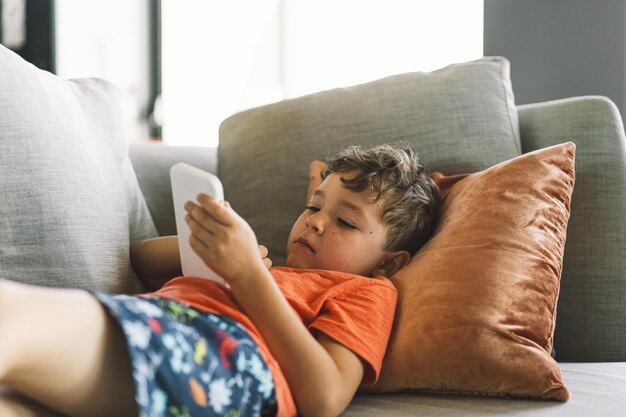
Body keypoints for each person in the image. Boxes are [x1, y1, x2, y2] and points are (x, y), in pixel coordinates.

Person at [0, 144, 440, 417]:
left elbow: (324, 399)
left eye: (344, 221)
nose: (316, 223)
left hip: (222, 359)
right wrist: (200, 245)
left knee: (10, 312)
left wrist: (247, 276)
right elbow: (142, 259)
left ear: (387, 264)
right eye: (313, 207)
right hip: (163, 326)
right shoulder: (262, 262)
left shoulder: (367, 290)